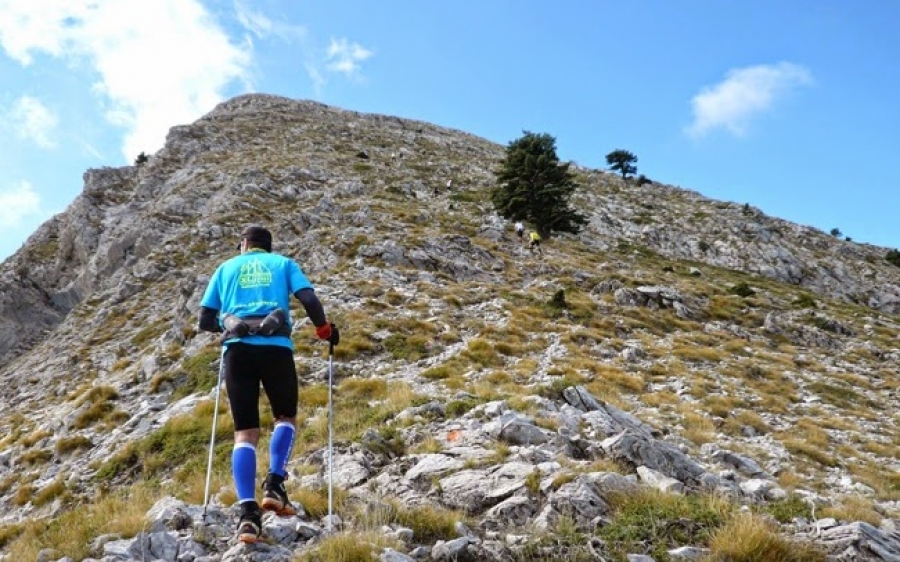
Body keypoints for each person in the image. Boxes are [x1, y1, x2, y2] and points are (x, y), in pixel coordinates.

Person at [198, 225, 339, 544]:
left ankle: (248, 517)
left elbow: (205, 320)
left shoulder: (226, 268)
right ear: (268, 246)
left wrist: (228, 321)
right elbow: (309, 300)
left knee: (245, 433)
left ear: (245, 245)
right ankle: (275, 484)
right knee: (285, 418)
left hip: (237, 352)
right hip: (276, 348)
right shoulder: (284, 264)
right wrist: (324, 331)